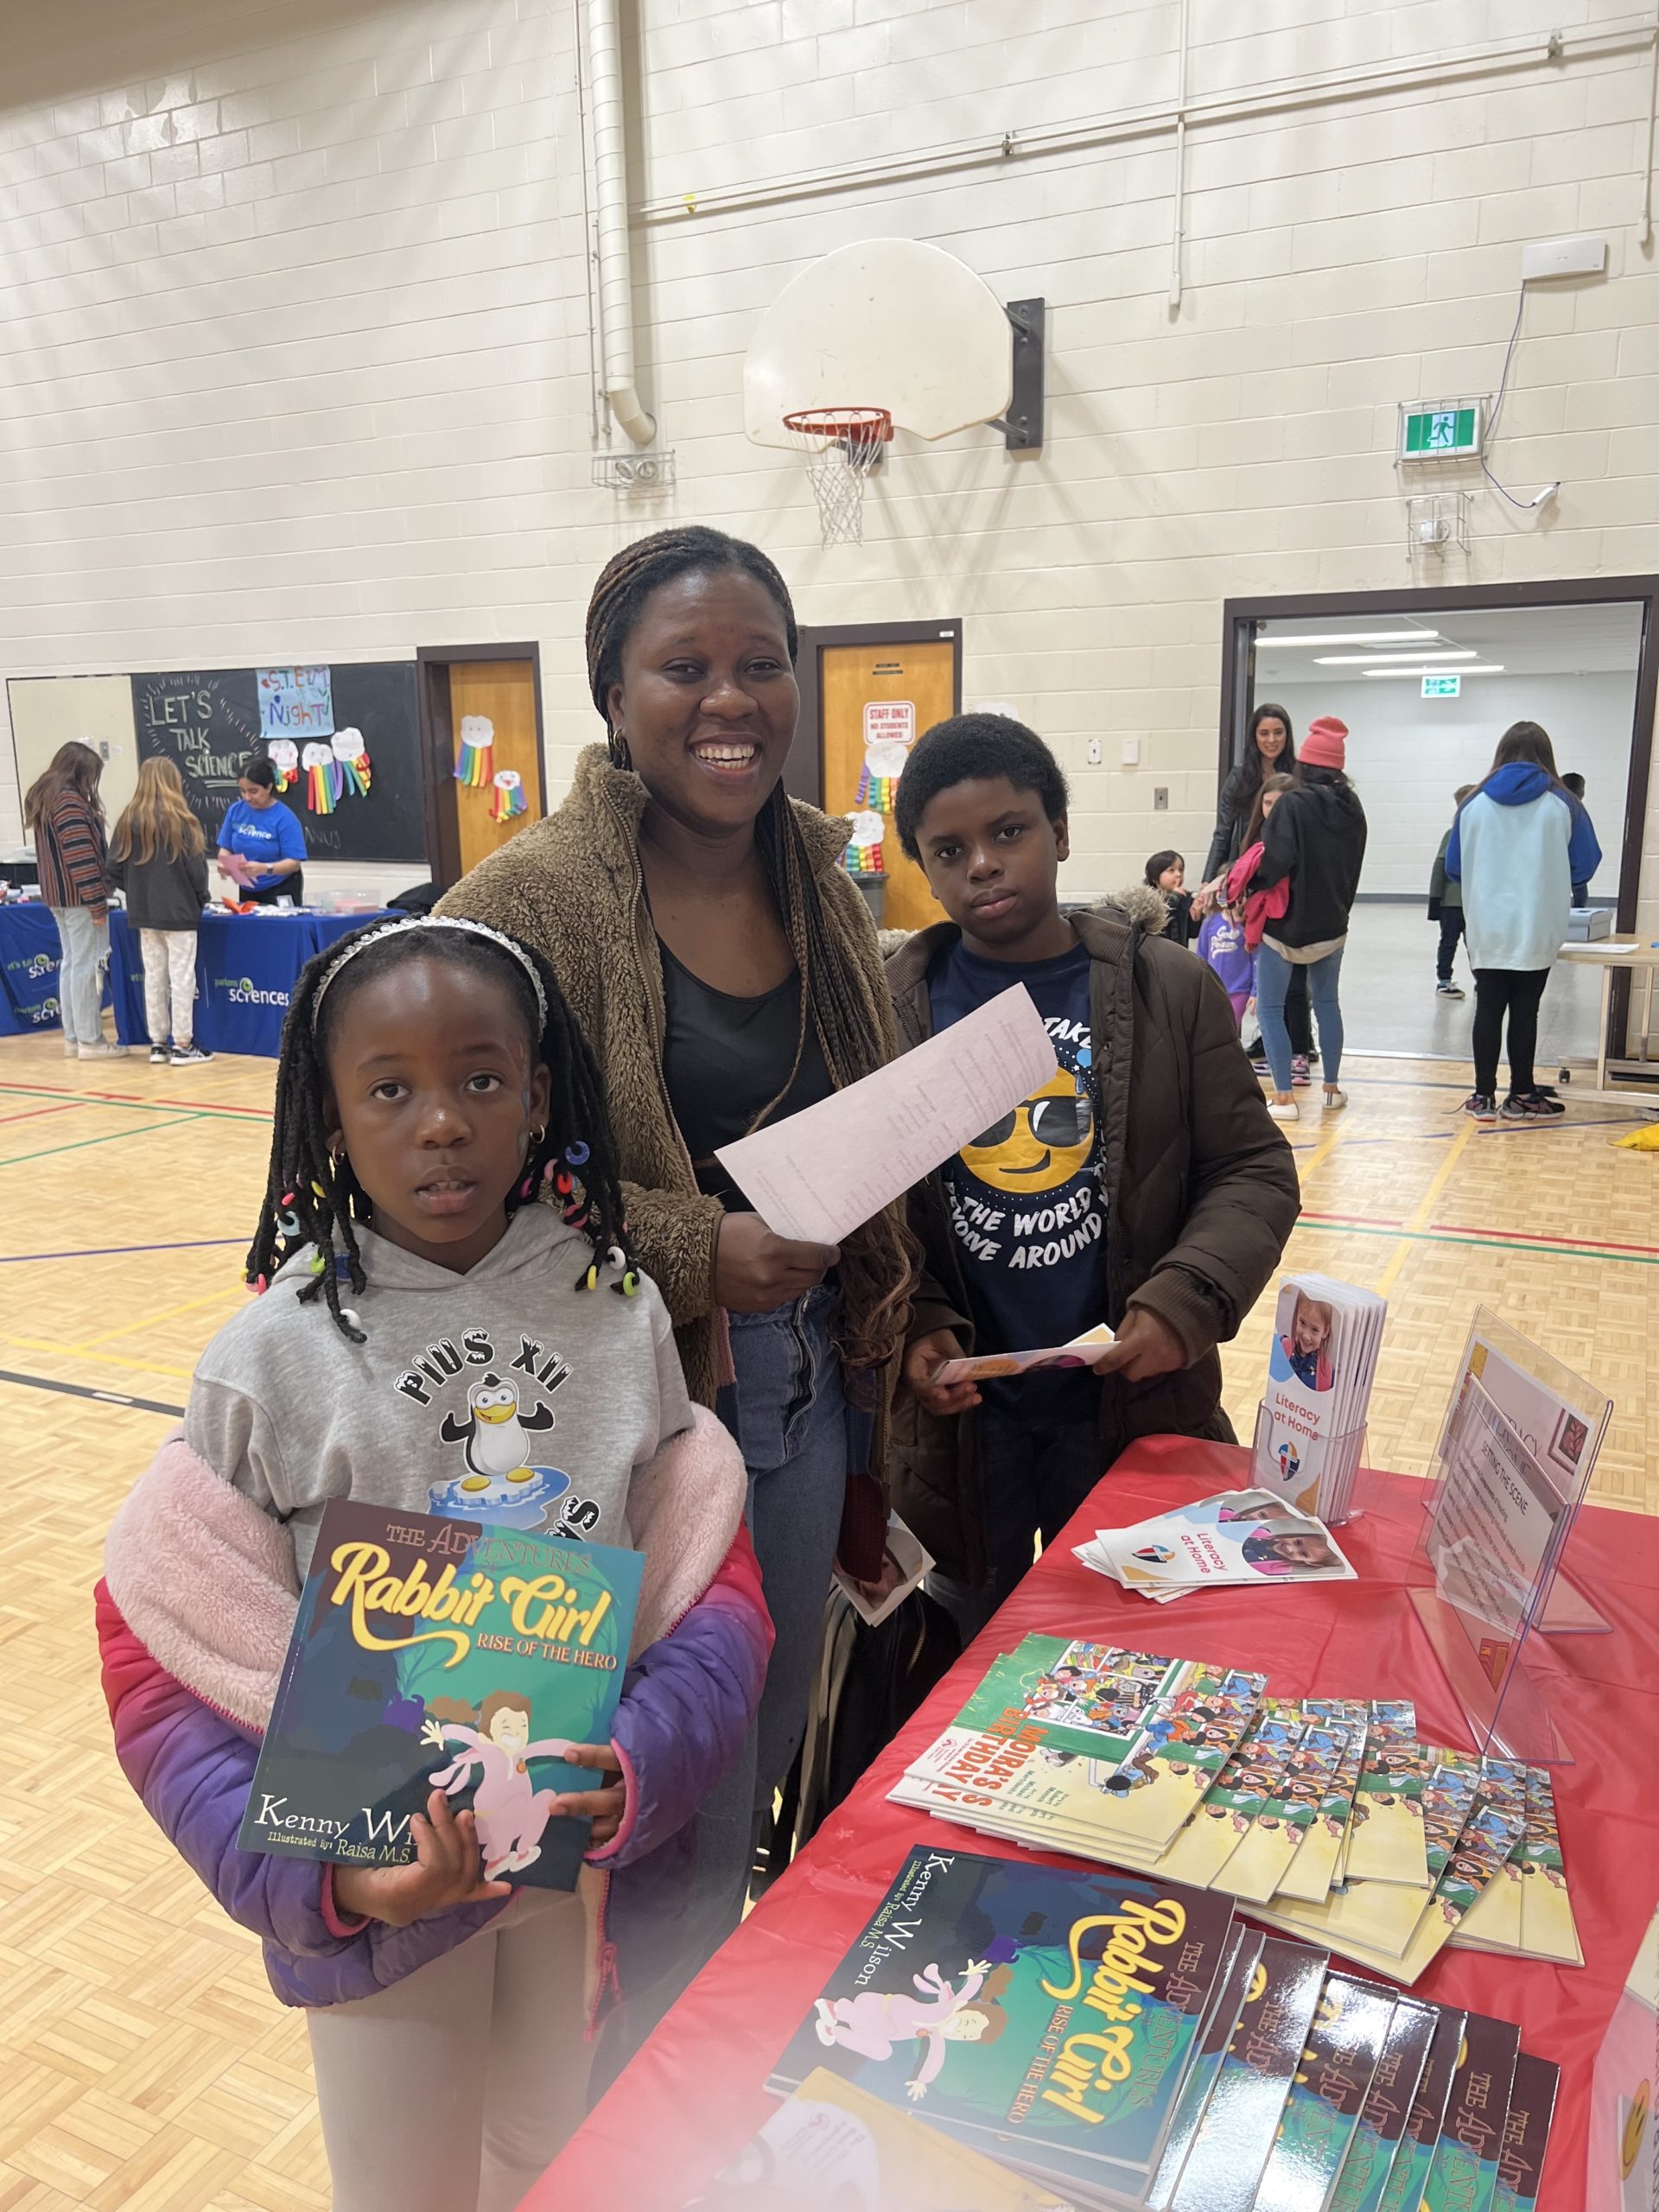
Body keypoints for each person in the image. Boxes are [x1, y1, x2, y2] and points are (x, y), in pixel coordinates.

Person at [96, 916, 772, 2212]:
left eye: (478, 1077)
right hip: (380, 1883)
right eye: (390, 1087)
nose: (444, 1121)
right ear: (331, 1116)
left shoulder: (619, 1308)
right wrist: (339, 1877)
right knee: (402, 2190)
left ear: (538, 1092)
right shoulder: (273, 1353)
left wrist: (635, 1762)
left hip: (559, 1858)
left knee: (538, 2149)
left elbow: (695, 1567)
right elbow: (183, 1636)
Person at [435, 527, 914, 1938]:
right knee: (653, 1804)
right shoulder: (524, 903)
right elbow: (445, 1179)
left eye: (760, 666)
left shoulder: (826, 884)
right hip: (632, 1411)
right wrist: (701, 1249)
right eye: (683, 668)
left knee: (756, 1764)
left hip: (813, 1387)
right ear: (612, 693)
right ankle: (632, 2109)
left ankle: (689, 2067)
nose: (730, 700)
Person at [885, 713, 1300, 1639]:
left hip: (1134, 1404)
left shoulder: (1166, 988)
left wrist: (1185, 1299)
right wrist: (913, 1326)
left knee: (1135, 1659)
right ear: (922, 866)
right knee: (968, 1661)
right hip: (962, 1434)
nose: (983, 864)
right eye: (949, 850)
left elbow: (1255, 1169)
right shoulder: (894, 1013)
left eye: (1009, 832)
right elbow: (872, 1223)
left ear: (1060, 833)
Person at [1446, 721, 1600, 1122]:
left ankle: (1482, 1097)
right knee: (1525, 1010)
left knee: (1488, 1006)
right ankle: (1522, 1095)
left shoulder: (1473, 803)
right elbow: (1585, 865)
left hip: (1486, 925)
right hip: (1537, 923)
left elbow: (1454, 867)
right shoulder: (1563, 802)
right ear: (1546, 757)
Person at [1249, 716, 1367, 1124]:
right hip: (1333, 924)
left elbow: (1275, 863)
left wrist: (1251, 887)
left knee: (1271, 1008)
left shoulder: (1292, 805)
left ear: (1304, 763)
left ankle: (1284, 1099)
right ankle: (1331, 1090)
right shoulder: (1353, 809)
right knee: (1328, 1004)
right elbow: (1354, 867)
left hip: (1284, 928)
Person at [109, 757, 213, 1065]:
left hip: (145, 914)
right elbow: (197, 872)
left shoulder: (128, 820)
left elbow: (112, 867)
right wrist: (200, 899)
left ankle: (158, 1043)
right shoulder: (182, 820)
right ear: (174, 781)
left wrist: (138, 893)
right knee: (181, 977)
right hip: (180, 913)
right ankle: (183, 1044)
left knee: (153, 976)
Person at [22, 739, 120, 1059]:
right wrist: (97, 904)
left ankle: (73, 1036)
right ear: (79, 771)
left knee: (72, 965)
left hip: (58, 897)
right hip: (79, 898)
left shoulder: (46, 798)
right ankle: (90, 1041)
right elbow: (81, 858)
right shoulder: (69, 802)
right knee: (86, 967)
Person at [217, 753, 308, 904]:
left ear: (269, 787)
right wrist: (224, 863)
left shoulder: (285, 818)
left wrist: (265, 869)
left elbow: (294, 863)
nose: (247, 797)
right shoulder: (235, 811)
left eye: (253, 791)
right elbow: (225, 847)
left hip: (280, 888)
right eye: (243, 791)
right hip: (248, 888)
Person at [1427, 784, 1477, 999]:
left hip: (1475, 903)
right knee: (1449, 941)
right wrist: (1435, 900)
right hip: (1452, 903)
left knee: (1476, 944)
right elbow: (1440, 868)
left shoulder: (1481, 834)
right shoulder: (1453, 834)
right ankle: (1444, 981)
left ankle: (1481, 980)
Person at [1144, 849, 1192, 946]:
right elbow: (1163, 907)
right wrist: (1175, 896)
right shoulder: (1148, 899)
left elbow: (1192, 932)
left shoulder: (1184, 898)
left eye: (1181, 870)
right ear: (1155, 877)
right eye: (1171, 870)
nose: (1178, 874)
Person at [1561, 772, 1593, 906]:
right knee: (1580, 896)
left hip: (1562, 861)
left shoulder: (1556, 805)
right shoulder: (1578, 810)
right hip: (1574, 864)